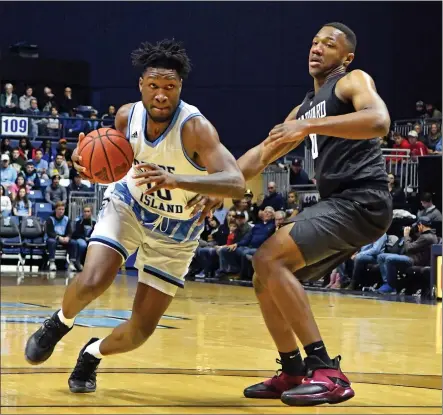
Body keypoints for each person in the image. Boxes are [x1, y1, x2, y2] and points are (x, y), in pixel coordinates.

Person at [188, 22, 392, 406]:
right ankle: (292, 369)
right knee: (264, 275)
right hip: (340, 203)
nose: (317, 48)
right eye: (314, 42)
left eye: (328, 45)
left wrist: (307, 124)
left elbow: (379, 122)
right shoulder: (303, 107)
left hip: (362, 199)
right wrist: (219, 186)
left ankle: (326, 370)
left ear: (345, 57)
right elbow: (263, 153)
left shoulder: (351, 81)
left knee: (269, 256)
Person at [25, 39, 244, 393]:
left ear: (180, 89)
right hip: (130, 206)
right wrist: (84, 162)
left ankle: (91, 353)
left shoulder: (195, 128)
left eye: (169, 87)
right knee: (95, 279)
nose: (161, 95)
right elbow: (109, 163)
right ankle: (60, 322)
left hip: (177, 231)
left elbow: (235, 181)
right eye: (154, 86)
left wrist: (179, 180)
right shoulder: (127, 116)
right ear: (141, 85)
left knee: (140, 331)